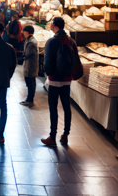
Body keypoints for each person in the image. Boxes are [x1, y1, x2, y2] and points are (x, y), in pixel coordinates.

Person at [41, 17, 80, 147]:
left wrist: (49, 74)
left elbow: (47, 63)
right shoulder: (71, 41)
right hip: (67, 80)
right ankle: (65, 135)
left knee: (53, 107)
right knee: (66, 107)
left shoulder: (51, 41)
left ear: (53, 25)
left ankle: (52, 136)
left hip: (54, 80)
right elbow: (76, 60)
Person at [20, 25, 39, 108]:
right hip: (30, 65)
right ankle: (28, 99)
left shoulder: (31, 42)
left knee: (30, 83)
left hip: (31, 66)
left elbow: (27, 54)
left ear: (27, 32)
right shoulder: (30, 40)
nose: (22, 33)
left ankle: (30, 100)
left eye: (23, 31)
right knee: (30, 83)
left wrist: (19, 56)